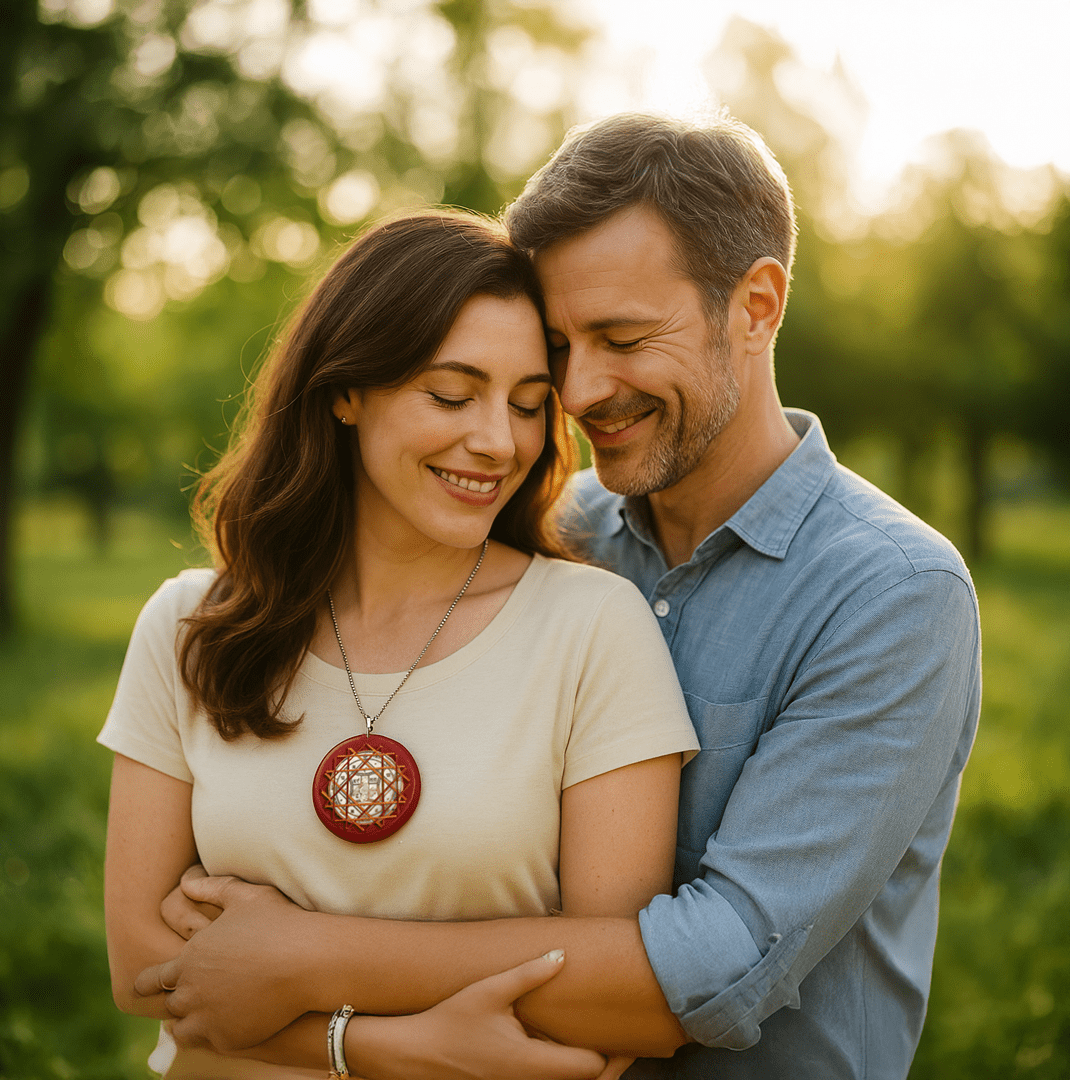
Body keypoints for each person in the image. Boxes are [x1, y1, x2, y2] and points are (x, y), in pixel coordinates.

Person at [136, 113, 982, 1080]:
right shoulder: (547, 535)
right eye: (559, 347)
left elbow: (714, 969)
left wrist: (303, 956)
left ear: (754, 307)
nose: (578, 392)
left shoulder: (891, 594)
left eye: (621, 337)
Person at [99, 210, 700, 1079]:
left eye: (529, 405)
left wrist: (299, 960)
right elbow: (142, 968)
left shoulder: (593, 629)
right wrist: (394, 1047)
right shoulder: (193, 625)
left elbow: (618, 993)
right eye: (452, 395)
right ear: (346, 390)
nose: (498, 441)